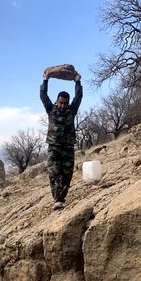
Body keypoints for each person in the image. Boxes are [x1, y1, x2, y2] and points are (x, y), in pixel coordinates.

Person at [40, 70, 83, 210]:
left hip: (68, 147)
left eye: (65, 103)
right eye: (61, 103)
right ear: (57, 101)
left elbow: (79, 96)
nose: (63, 105)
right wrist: (46, 80)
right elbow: (43, 95)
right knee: (54, 173)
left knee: (67, 174)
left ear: (68, 103)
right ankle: (56, 199)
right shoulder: (50, 109)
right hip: (54, 147)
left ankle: (61, 199)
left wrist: (77, 81)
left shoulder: (72, 110)